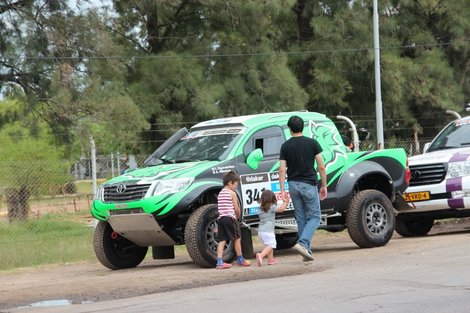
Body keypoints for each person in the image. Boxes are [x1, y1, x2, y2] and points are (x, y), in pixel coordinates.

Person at [279, 115, 328, 261]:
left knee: (301, 218)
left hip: (293, 185)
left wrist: (282, 190)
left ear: (289, 129)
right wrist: (324, 185)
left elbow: (282, 170)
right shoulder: (312, 143)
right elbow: (321, 166)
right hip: (308, 184)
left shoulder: (285, 146)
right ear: (303, 127)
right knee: (315, 217)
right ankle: (303, 243)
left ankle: (305, 251)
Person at [216, 170, 251, 269]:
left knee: (222, 240)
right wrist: (238, 214)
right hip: (230, 218)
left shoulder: (220, 193)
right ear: (230, 183)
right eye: (236, 184)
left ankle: (219, 262)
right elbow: (236, 208)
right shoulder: (232, 193)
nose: (236, 186)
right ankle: (240, 259)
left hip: (221, 219)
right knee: (237, 238)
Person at [255, 189, 289, 267]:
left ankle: (271, 260)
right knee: (272, 245)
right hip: (268, 231)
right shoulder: (271, 206)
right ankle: (261, 255)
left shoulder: (260, 208)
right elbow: (281, 209)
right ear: (271, 198)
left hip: (261, 231)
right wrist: (286, 202)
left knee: (269, 245)